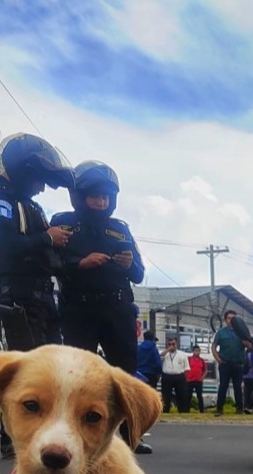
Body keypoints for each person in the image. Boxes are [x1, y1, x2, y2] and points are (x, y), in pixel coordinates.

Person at [0, 132, 74, 457]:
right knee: (28, 371)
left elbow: (47, 251)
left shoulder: (29, 204)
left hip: (45, 296)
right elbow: (1, 250)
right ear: (23, 170)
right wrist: (47, 238)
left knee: (53, 371)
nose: (41, 187)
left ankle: (38, 434)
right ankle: (14, 439)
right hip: (18, 294)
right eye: (38, 180)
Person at [49, 160, 151, 453]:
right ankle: (76, 433)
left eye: (106, 197)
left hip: (117, 310)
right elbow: (49, 262)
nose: (101, 201)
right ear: (80, 196)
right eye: (95, 195)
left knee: (126, 373)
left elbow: (139, 274)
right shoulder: (63, 222)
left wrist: (129, 264)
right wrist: (80, 263)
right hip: (78, 312)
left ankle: (131, 435)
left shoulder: (120, 229)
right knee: (78, 376)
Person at [211, 310, 246, 416]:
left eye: (233, 318)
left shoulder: (241, 332)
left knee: (237, 387)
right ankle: (219, 409)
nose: (231, 320)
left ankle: (239, 409)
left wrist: (243, 338)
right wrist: (218, 359)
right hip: (225, 364)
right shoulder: (220, 332)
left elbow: (249, 345)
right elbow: (213, 347)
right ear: (225, 320)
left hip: (238, 364)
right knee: (223, 386)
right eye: (229, 318)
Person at [160, 338, 190, 412]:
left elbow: (187, 368)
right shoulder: (165, 354)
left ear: (176, 344)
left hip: (179, 376)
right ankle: (165, 411)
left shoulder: (183, 354)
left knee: (181, 395)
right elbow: (160, 356)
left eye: (173, 344)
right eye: (169, 344)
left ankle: (183, 411)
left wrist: (184, 378)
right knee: (166, 396)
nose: (171, 346)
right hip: (167, 376)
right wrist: (168, 349)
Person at [186, 345, 208, 413]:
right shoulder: (189, 359)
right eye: (196, 351)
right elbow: (185, 368)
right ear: (193, 351)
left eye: (198, 351)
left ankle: (201, 410)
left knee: (199, 396)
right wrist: (186, 377)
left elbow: (206, 370)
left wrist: (202, 378)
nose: (197, 352)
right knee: (188, 396)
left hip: (198, 381)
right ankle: (187, 410)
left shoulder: (201, 360)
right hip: (190, 381)